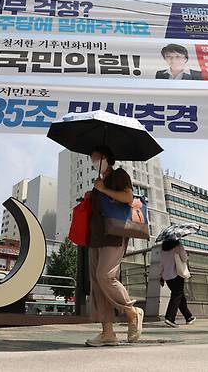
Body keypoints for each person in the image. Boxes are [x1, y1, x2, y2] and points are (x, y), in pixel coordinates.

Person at [84, 145, 144, 347]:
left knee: (105, 276)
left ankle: (131, 311)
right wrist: (91, 195)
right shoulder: (97, 183)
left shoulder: (119, 175)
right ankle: (107, 333)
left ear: (106, 158)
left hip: (114, 235)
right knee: (98, 286)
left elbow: (128, 198)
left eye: (95, 158)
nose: (93, 162)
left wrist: (104, 190)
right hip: (96, 237)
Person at [160, 239, 196, 327]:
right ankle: (170, 318)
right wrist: (185, 253)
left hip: (167, 276)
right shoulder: (178, 245)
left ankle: (188, 317)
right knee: (177, 296)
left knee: (180, 296)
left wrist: (161, 276)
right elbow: (184, 258)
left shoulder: (163, 248)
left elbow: (161, 264)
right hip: (177, 274)